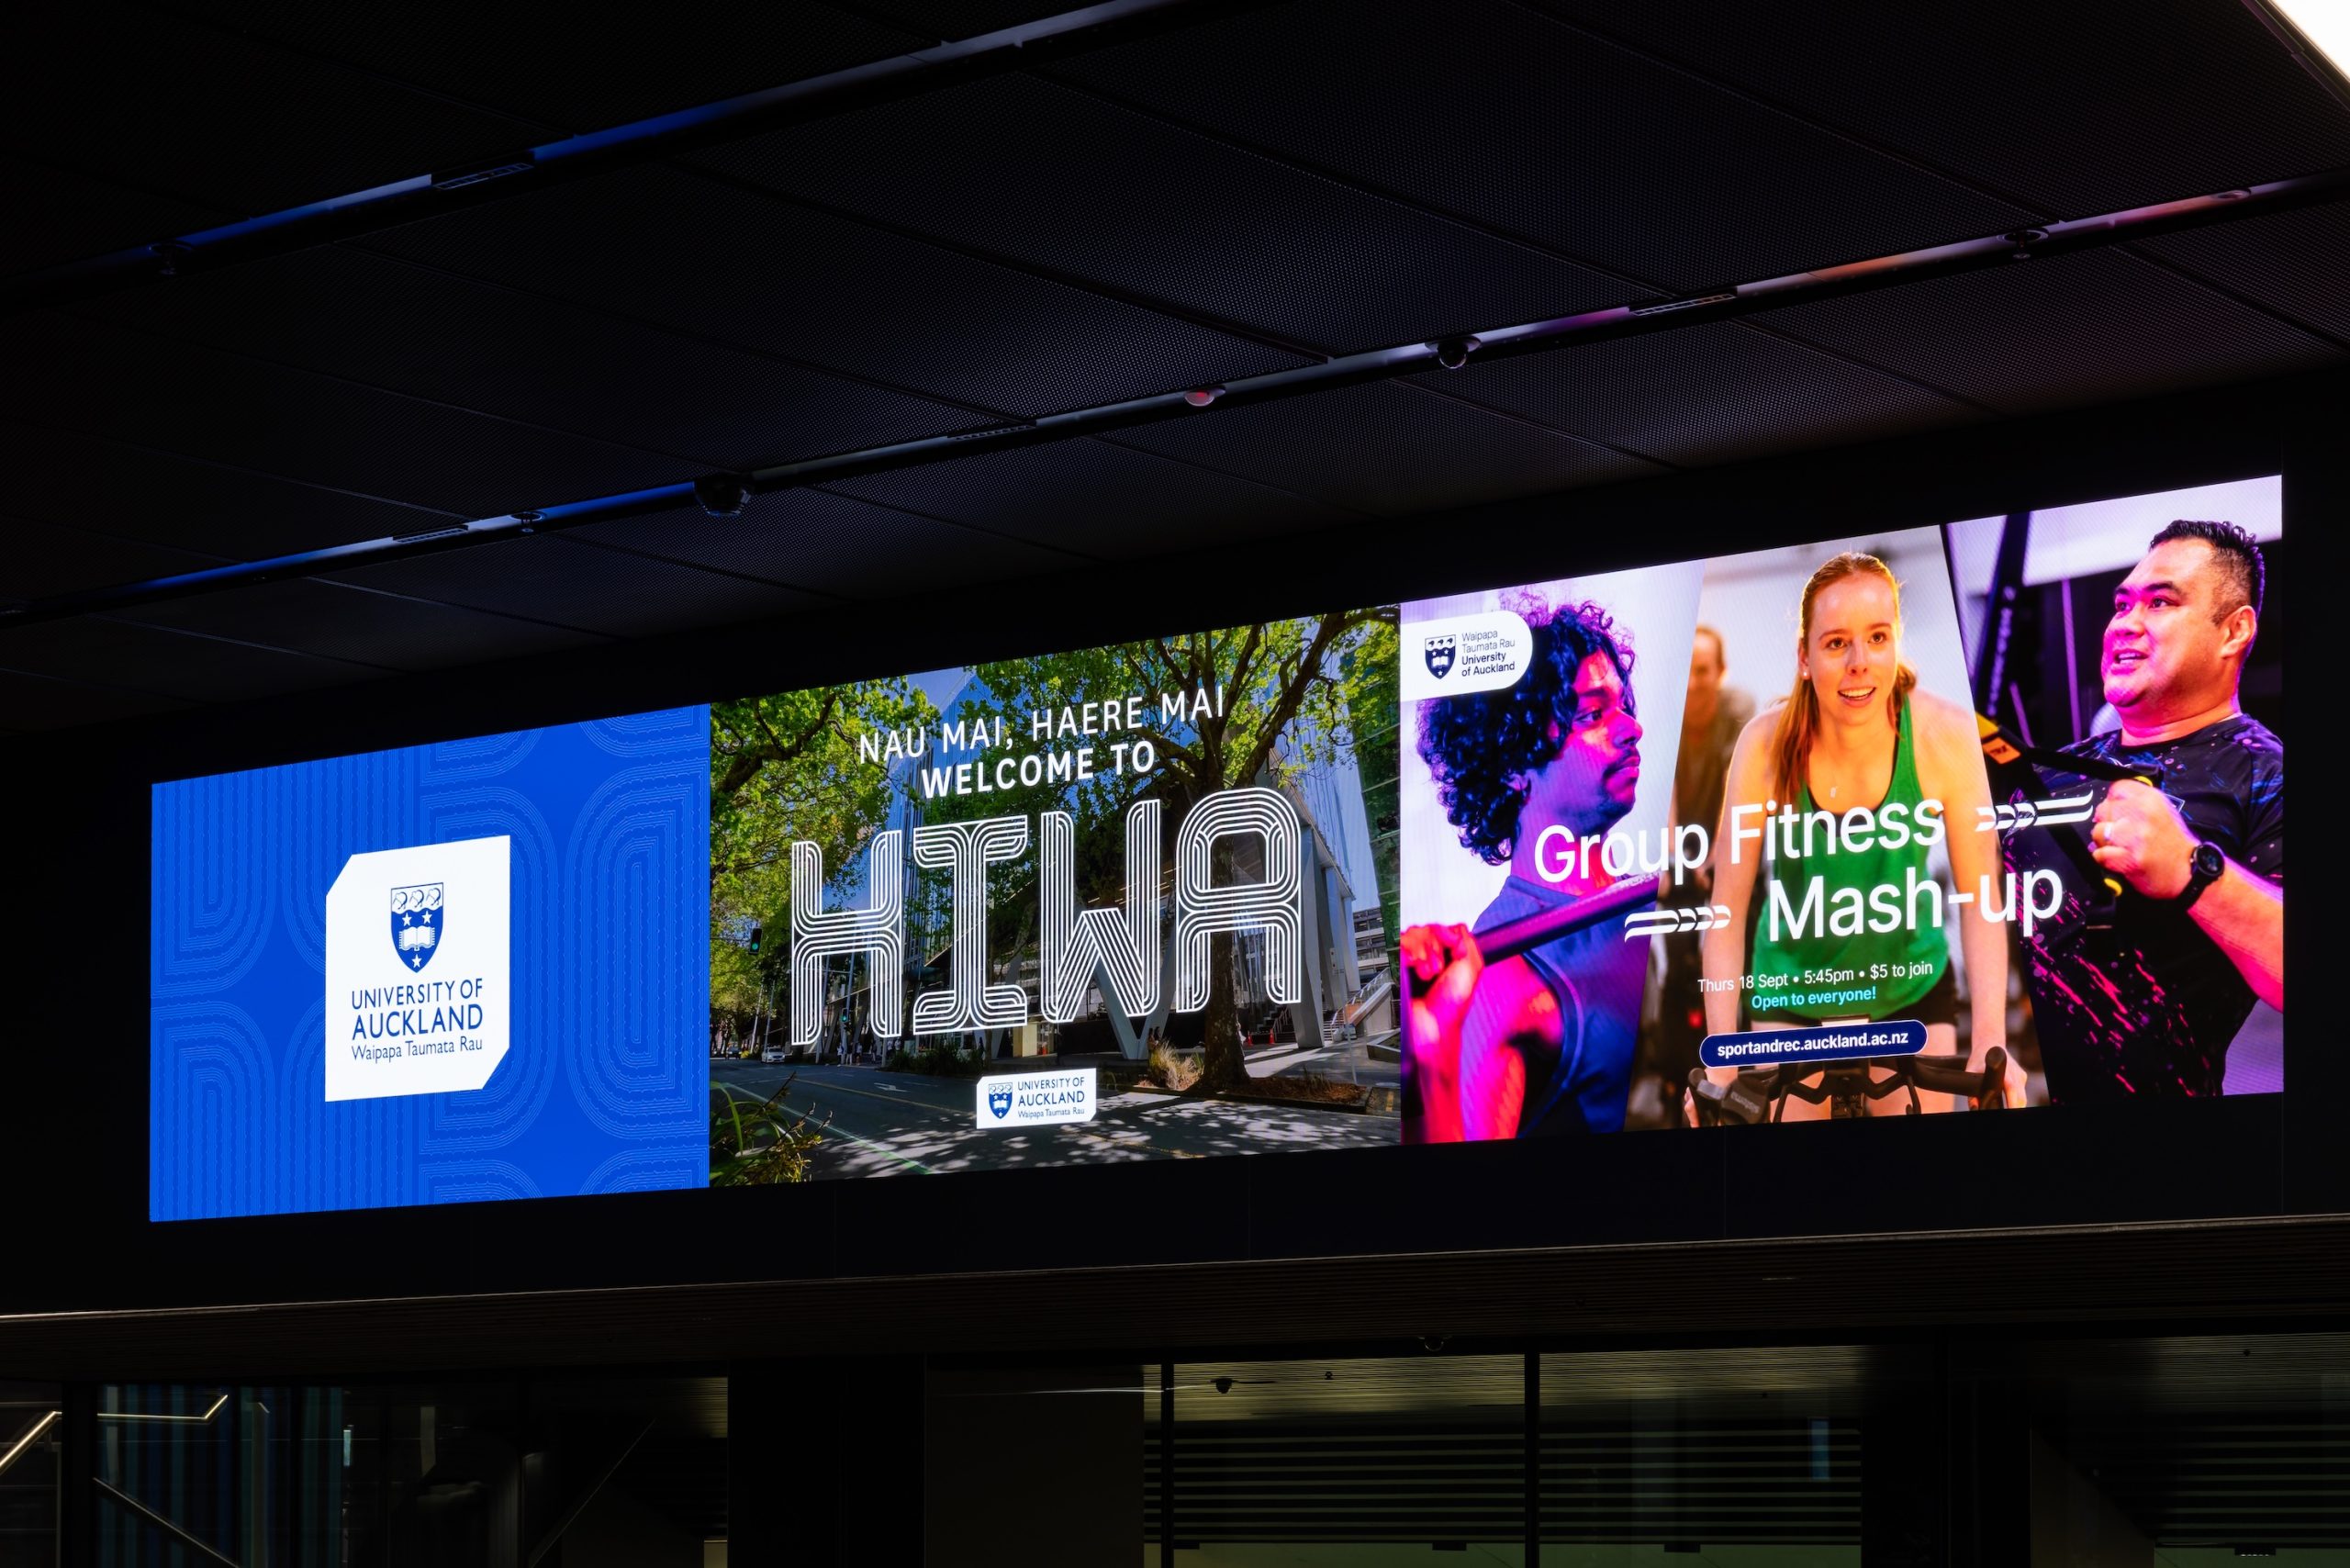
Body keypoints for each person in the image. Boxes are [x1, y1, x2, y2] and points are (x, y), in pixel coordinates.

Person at [1701, 553, 2019, 1116]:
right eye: (1834, 643)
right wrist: (1721, 1059)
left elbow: (1981, 901)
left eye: (1877, 638)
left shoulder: (1944, 734)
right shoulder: (1763, 745)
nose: (1859, 663)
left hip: (1909, 994)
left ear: (1896, 642)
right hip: (1791, 995)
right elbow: (1725, 914)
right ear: (1804, 657)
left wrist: (1990, 1041)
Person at [2020, 520, 2282, 1100]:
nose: (2124, 625)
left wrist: (2192, 870)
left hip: (2161, 1150)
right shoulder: (2043, 773)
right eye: (2121, 605)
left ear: (2233, 631)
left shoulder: (2267, 773)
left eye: (2160, 602)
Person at [1402, 598, 1650, 1140]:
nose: (1631, 728)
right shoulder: (1499, 975)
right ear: (1515, 764)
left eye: (1624, 707)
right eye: (1592, 714)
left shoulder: (1657, 900)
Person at [1633, 626, 1754, 1122]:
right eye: (1686, 670)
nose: (1693, 681)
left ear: (1719, 673)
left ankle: (1746, 1068)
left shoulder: (1738, 711)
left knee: (1736, 965)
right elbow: (1667, 794)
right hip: (1685, 858)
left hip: (1732, 847)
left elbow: (1739, 787)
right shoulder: (1668, 719)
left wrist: (1721, 858)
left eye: (1702, 670)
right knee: (1683, 969)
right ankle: (1678, 1077)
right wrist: (1667, 858)